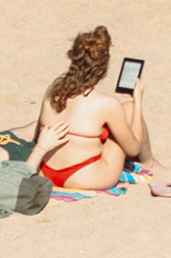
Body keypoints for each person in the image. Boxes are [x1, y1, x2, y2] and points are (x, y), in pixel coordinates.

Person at [30, 26, 151, 190]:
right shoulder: (107, 103)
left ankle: (150, 161)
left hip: (45, 172)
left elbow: (38, 134)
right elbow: (133, 149)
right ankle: (149, 162)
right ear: (103, 67)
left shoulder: (53, 91)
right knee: (129, 108)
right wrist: (138, 102)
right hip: (84, 177)